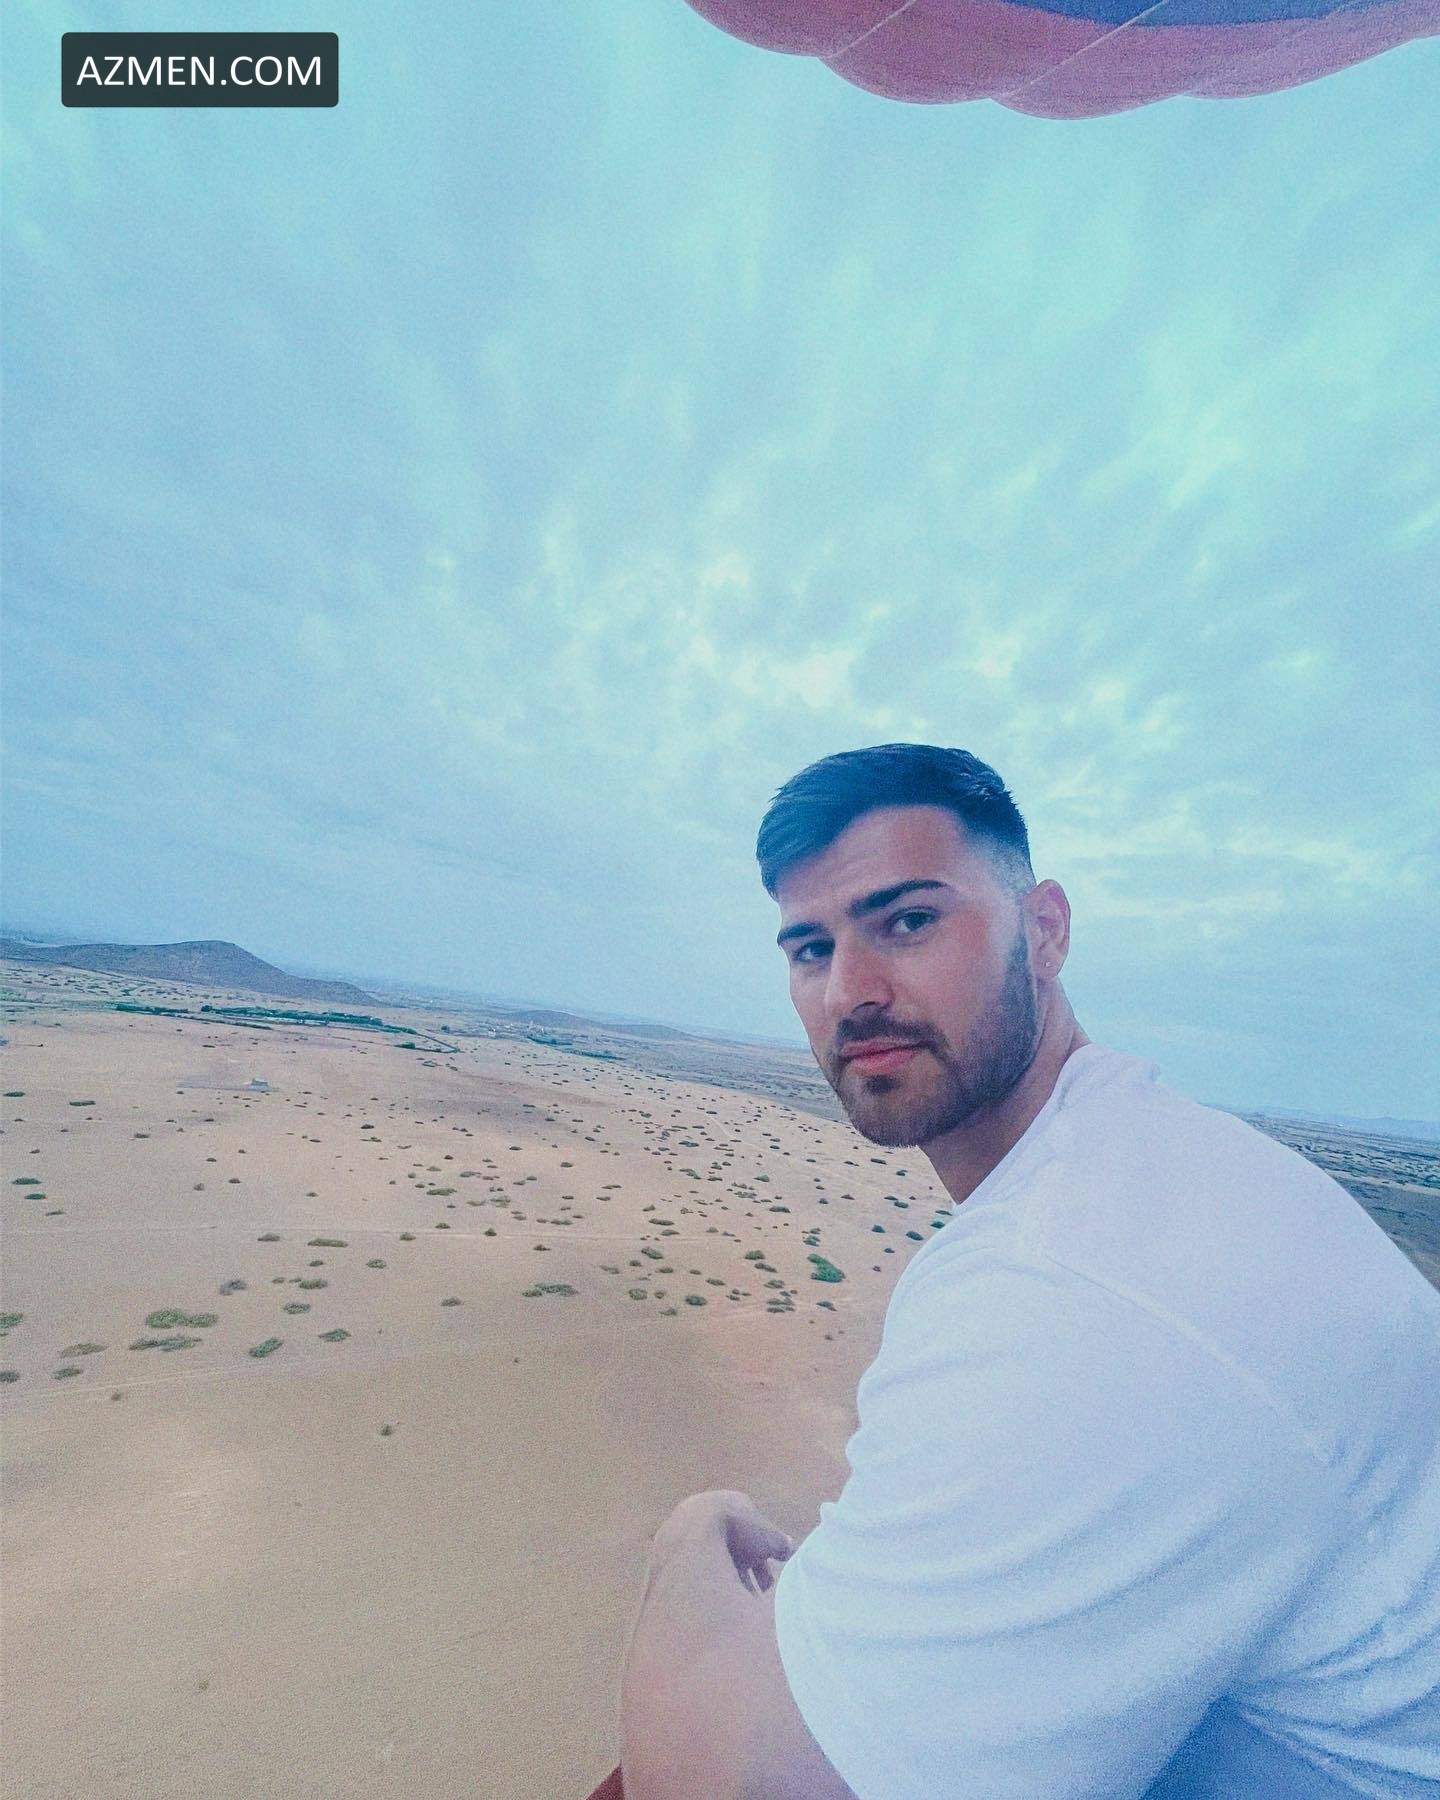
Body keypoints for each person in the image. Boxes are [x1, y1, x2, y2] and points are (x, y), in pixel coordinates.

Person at [616, 743, 1440, 1800]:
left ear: (1044, 930)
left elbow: (724, 1789)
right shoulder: (1148, 1166)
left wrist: (685, 1547)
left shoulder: (1075, 1283)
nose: (849, 992)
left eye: (908, 921)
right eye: (811, 949)